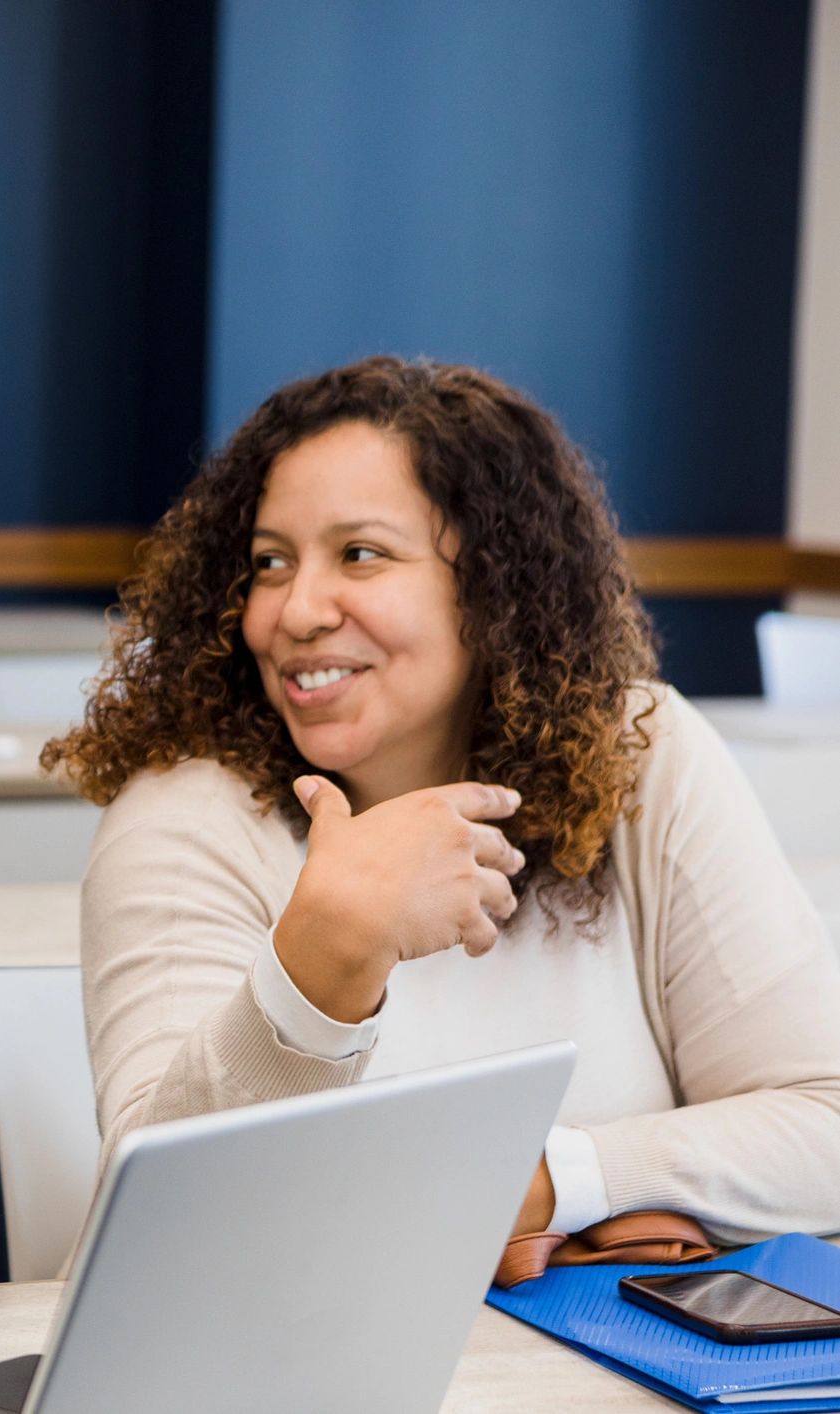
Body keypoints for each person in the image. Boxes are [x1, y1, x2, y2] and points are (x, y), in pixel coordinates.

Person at [45, 356, 840, 1246]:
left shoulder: (641, 755)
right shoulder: (182, 815)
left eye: (360, 554)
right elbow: (159, 1229)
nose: (295, 610)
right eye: (268, 563)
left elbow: (825, 1121)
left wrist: (552, 1184)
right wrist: (324, 960)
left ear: (496, 586)